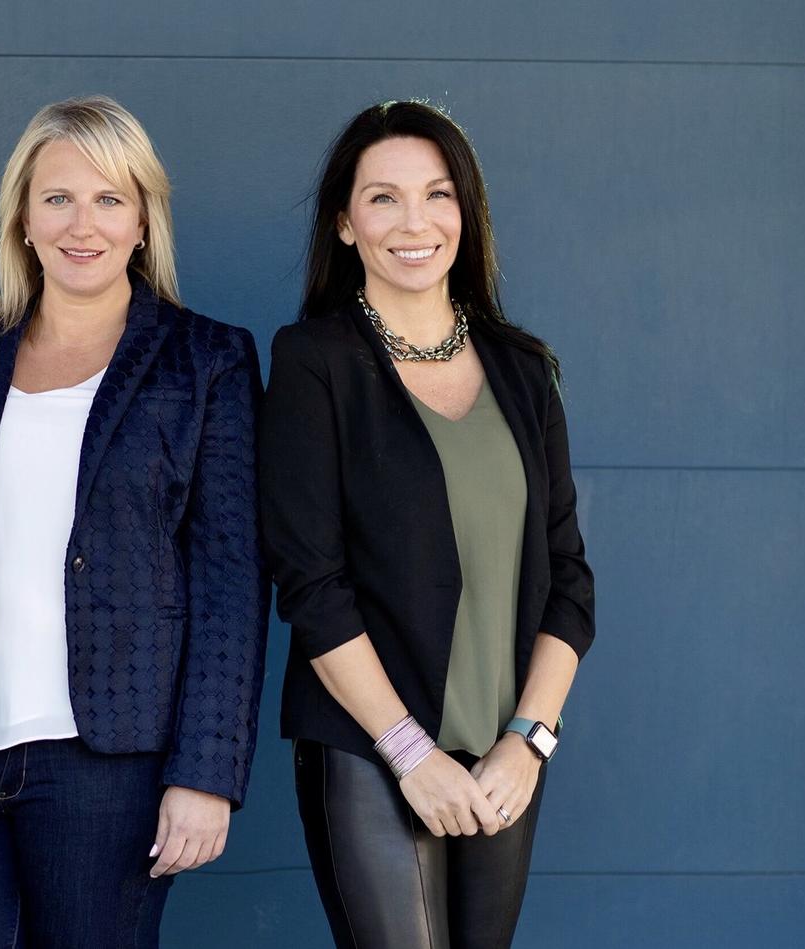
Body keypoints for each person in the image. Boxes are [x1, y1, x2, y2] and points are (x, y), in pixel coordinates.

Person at [0, 95, 269, 948]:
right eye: (58, 198)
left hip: (115, 767)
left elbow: (230, 583)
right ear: (23, 219)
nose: (82, 224)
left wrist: (208, 772)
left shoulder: (207, 361)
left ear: (143, 221)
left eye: (109, 199)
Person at [259, 100, 595, 949]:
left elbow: (568, 579)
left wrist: (529, 740)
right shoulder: (314, 362)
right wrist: (409, 750)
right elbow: (312, 586)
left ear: (465, 212)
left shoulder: (524, 369)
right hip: (370, 746)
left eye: (438, 194)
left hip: (504, 752)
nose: (415, 222)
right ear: (345, 223)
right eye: (384, 198)